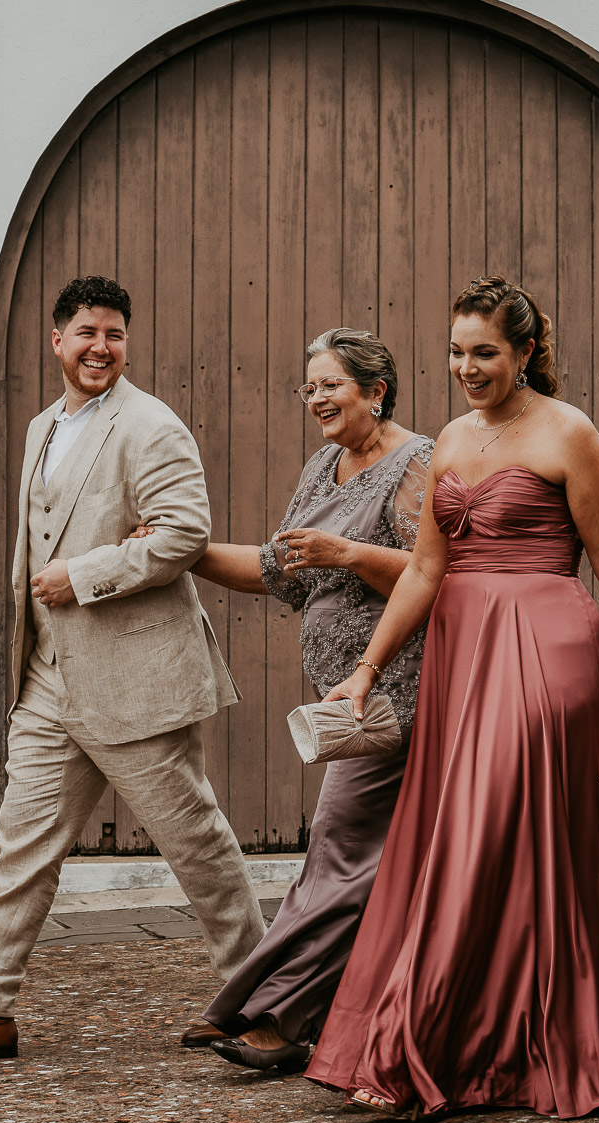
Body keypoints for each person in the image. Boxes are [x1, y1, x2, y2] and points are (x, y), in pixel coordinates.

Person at [304, 277, 599, 1119]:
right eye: (456, 352)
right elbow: (428, 570)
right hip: (461, 656)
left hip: (550, 649)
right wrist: (368, 669)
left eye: (485, 352)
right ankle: (470, 1035)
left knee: (493, 830)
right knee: (465, 839)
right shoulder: (449, 438)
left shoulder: (569, 433)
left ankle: (443, 1039)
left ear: (524, 353)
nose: (467, 367)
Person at [0, 276, 264, 1060]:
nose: (101, 346)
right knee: (19, 849)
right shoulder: (40, 427)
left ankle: (266, 1002)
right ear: (56, 340)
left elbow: (186, 532)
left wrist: (85, 576)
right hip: (50, 678)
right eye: (87, 331)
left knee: (198, 846)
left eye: (115, 334)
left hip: (136, 678)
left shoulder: (152, 426)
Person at [161, 329, 432, 1073]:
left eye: (331, 384)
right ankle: (279, 1012)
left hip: (397, 694)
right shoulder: (324, 467)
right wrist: (178, 551)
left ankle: (273, 1019)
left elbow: (434, 575)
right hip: (343, 703)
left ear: (376, 390)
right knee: (347, 861)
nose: (315, 398)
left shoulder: (418, 464)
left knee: (338, 852)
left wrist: (347, 554)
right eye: (308, 386)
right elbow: (275, 569)